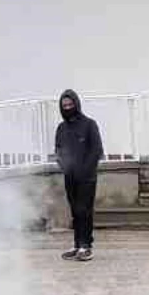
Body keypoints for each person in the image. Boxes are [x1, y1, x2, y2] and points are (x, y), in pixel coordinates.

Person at [54, 88, 104, 263]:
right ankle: (77, 245)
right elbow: (58, 149)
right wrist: (63, 165)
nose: (67, 107)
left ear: (76, 104)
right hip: (70, 175)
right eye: (64, 105)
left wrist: (86, 169)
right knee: (75, 211)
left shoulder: (89, 124)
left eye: (70, 104)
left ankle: (86, 246)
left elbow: (97, 150)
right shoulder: (61, 128)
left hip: (87, 176)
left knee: (84, 210)